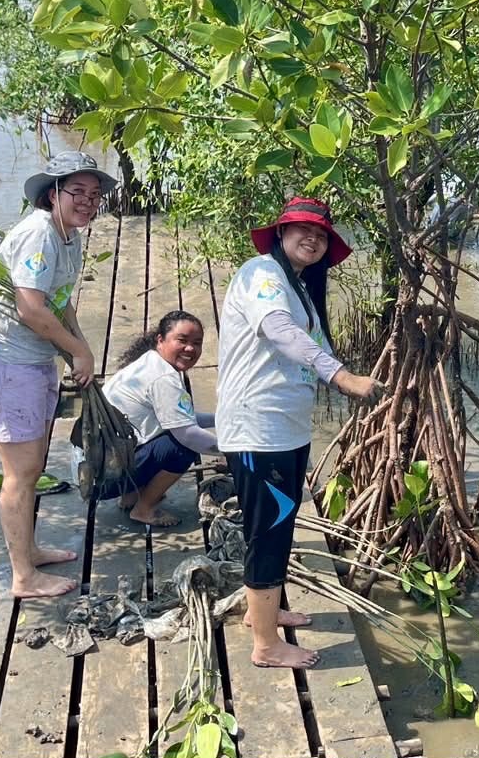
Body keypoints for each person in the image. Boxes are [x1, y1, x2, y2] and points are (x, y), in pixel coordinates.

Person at [217, 197, 380, 669]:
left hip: (285, 430)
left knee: (282, 522)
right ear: (281, 234)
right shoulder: (262, 275)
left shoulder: (299, 287)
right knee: (266, 532)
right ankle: (266, 647)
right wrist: (341, 377)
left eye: (321, 234)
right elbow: (278, 330)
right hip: (257, 429)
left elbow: (315, 338)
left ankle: (262, 615)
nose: (312, 239)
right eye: (301, 230)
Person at [0, 151, 115, 598]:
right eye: (77, 192)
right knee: (22, 471)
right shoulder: (39, 236)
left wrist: (79, 348)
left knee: (31, 466)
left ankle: (28, 551)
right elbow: (29, 308)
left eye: (95, 194)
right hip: (7, 362)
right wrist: (74, 349)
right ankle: (23, 577)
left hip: (32, 360)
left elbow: (59, 300)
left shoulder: (68, 236)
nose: (88, 202)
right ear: (53, 194)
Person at [102, 310, 218, 528]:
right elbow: (188, 434)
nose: (190, 348)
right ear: (160, 339)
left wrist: (219, 419)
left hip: (100, 467)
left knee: (170, 435)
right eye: (182, 340)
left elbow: (184, 418)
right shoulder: (164, 378)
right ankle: (143, 509)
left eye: (197, 343)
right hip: (105, 478)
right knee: (181, 448)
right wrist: (232, 449)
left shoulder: (149, 362)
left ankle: (130, 496)